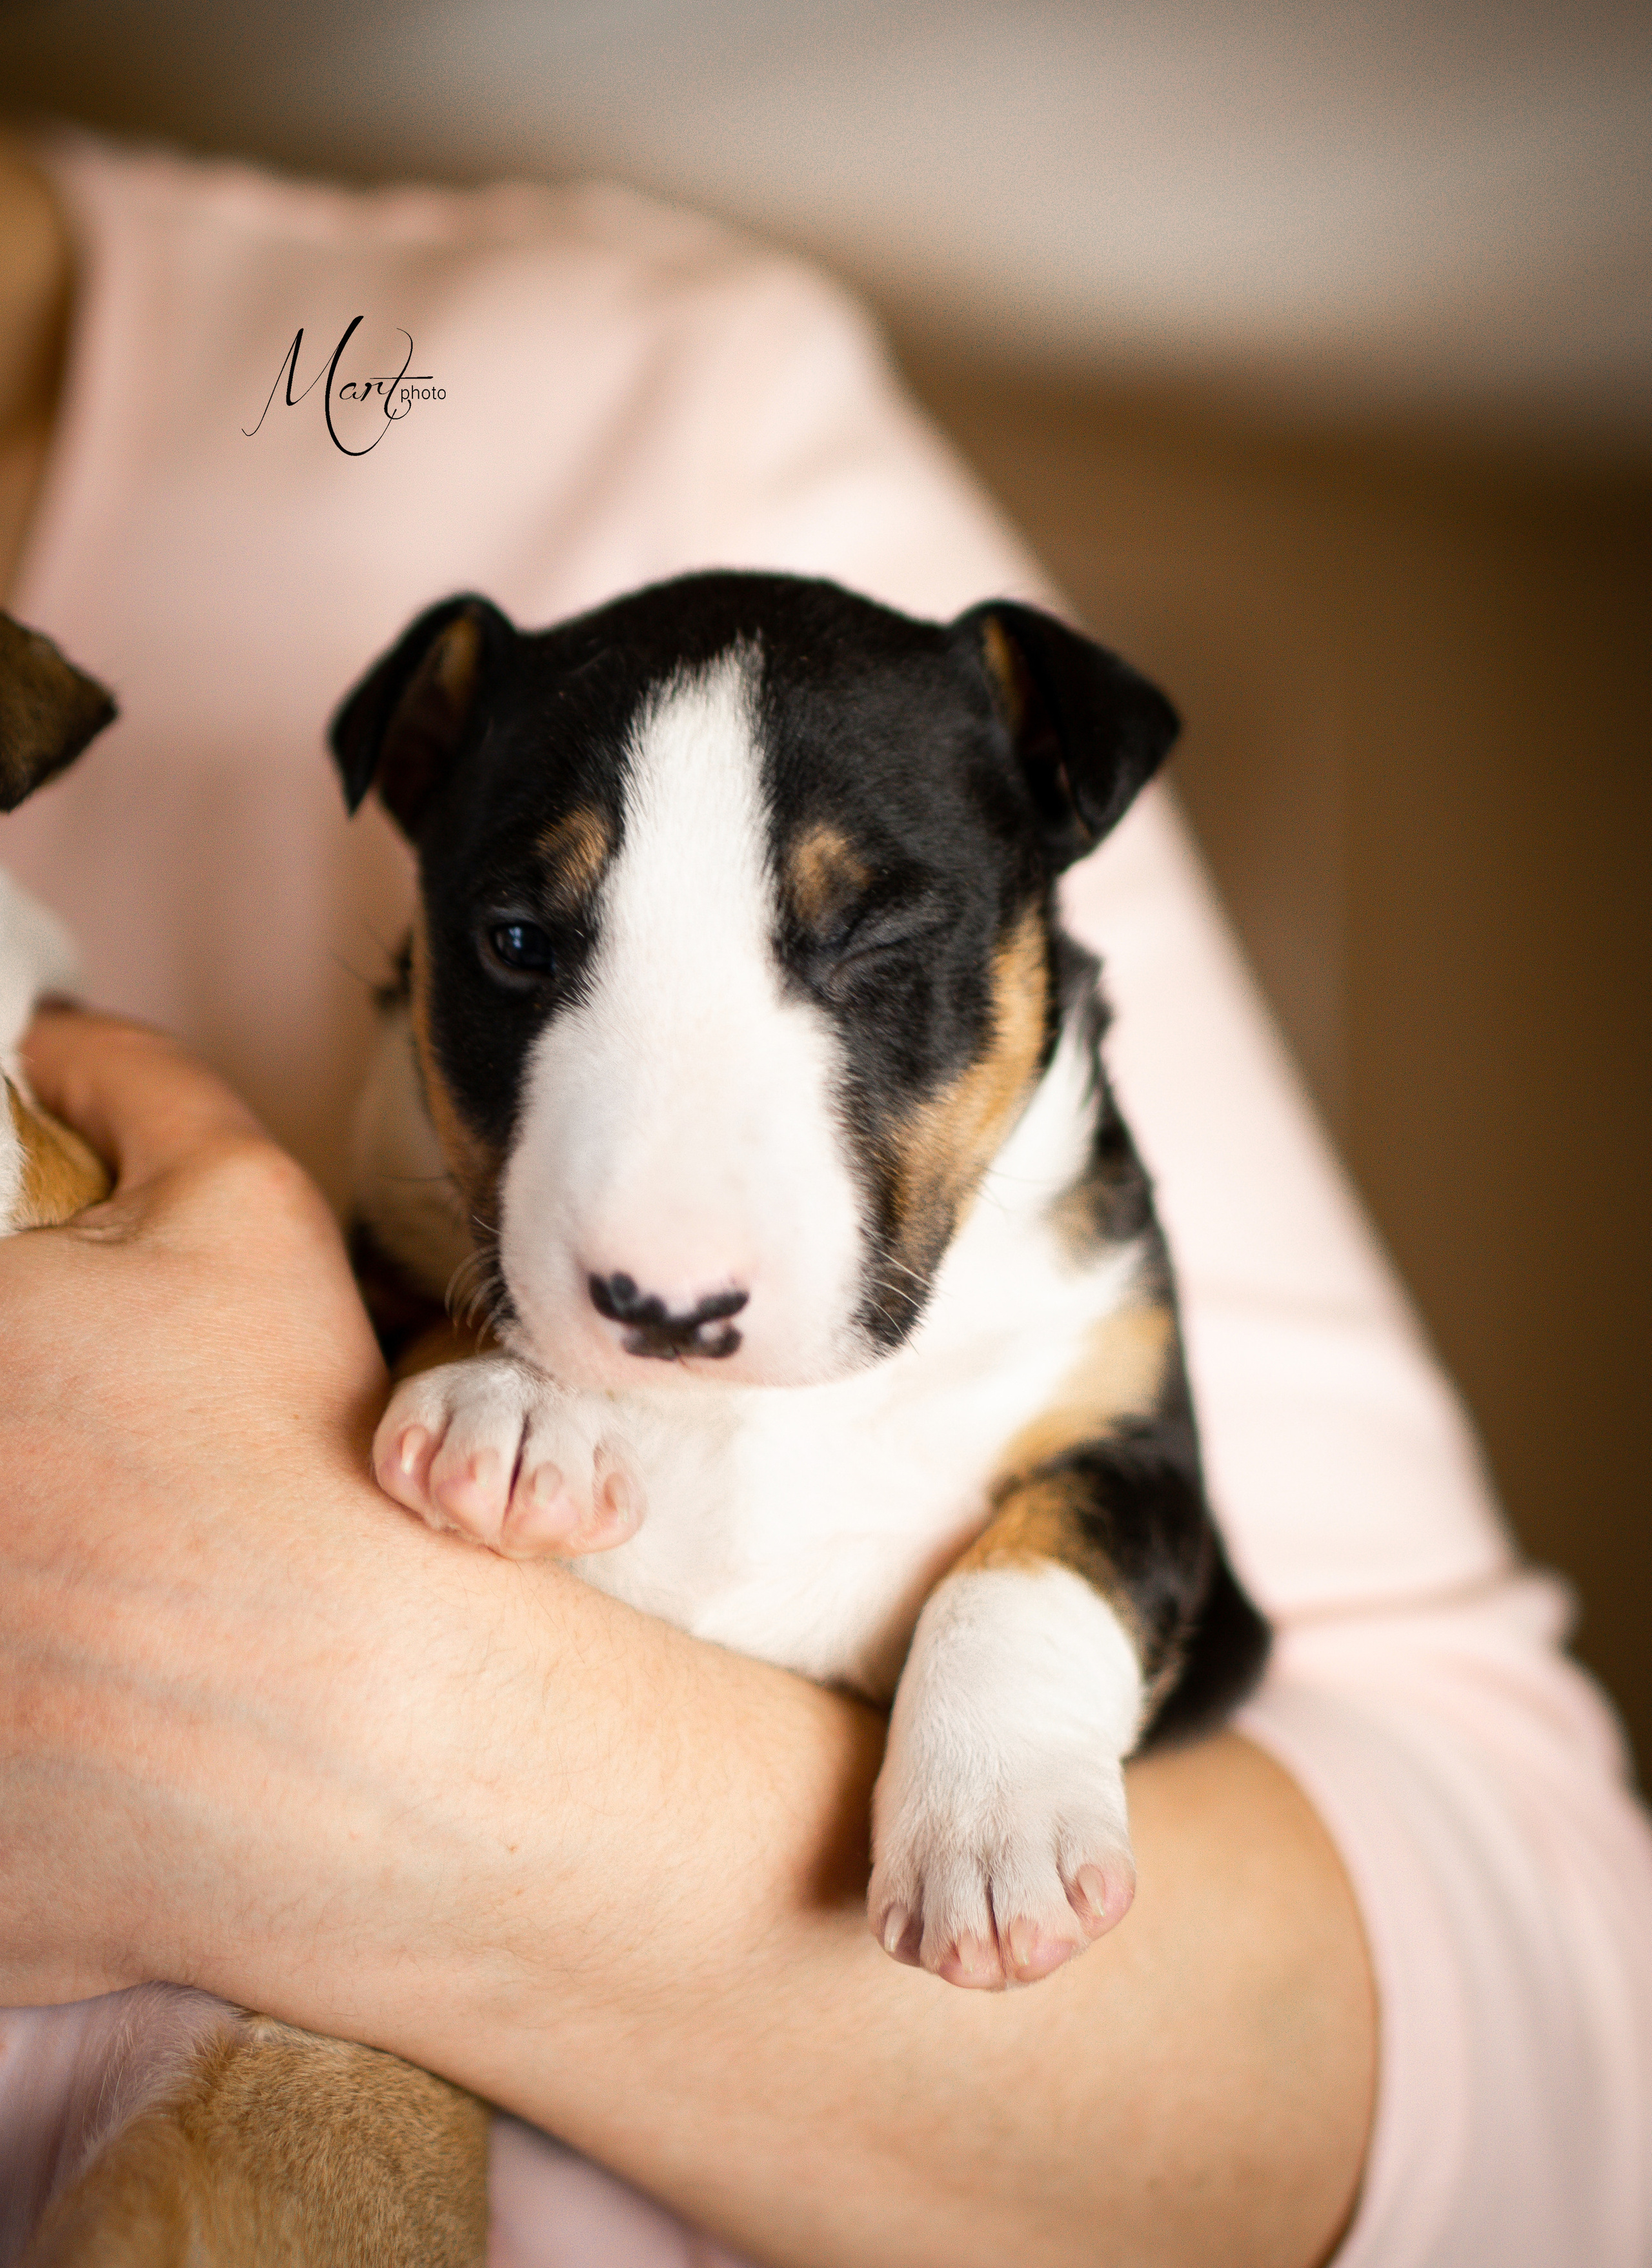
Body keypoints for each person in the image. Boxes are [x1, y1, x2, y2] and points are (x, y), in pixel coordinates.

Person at [0, 127, 1646, 2268]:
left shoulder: (642, 394)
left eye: (870, 958)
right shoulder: (420, 1133)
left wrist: (334, 1708)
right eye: (520, 950)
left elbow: (1570, 2035)